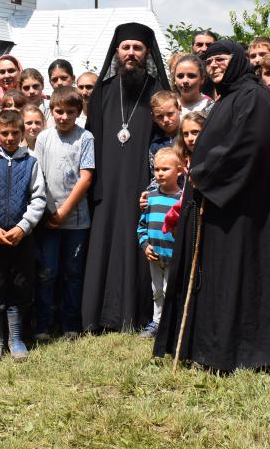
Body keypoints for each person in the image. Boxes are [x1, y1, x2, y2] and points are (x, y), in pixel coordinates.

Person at [153, 40, 270, 372]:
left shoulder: (253, 97)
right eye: (209, 60)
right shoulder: (226, 98)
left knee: (236, 274)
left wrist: (205, 174)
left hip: (241, 206)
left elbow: (246, 145)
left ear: (238, 60)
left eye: (221, 59)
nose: (213, 65)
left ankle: (237, 349)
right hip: (218, 201)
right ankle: (206, 344)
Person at [82, 22, 171, 333]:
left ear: (147, 53)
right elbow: (91, 143)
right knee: (104, 243)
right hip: (106, 186)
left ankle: (138, 314)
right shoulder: (102, 92)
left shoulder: (158, 93)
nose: (131, 53)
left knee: (138, 244)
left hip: (142, 186)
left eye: (137, 48)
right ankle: (100, 315)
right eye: (126, 47)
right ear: (116, 51)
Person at [0, 110, 47, 361]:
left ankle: (15, 339)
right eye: (5, 133)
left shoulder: (31, 162)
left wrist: (23, 227)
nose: (10, 137)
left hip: (21, 239)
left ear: (22, 133)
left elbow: (38, 199)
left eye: (15, 132)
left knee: (20, 287)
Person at [34, 86, 95, 340]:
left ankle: (71, 323)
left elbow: (86, 177)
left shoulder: (85, 138)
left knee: (73, 273)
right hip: (47, 219)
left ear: (78, 112)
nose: (64, 117)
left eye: (70, 112)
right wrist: (49, 213)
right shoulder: (43, 138)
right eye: (59, 111)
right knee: (47, 272)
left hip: (76, 220)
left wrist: (64, 211)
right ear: (51, 111)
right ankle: (43, 324)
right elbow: (37, 176)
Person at [136, 147, 183, 339]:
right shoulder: (151, 197)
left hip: (174, 256)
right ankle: (156, 322)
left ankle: (171, 324)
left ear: (179, 171)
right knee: (156, 290)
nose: (160, 173)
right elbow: (141, 227)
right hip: (154, 256)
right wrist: (145, 246)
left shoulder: (182, 199)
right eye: (156, 169)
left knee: (169, 290)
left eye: (165, 169)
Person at [147, 90, 181, 171]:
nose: (166, 120)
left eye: (170, 114)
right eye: (160, 116)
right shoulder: (155, 145)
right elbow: (154, 174)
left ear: (179, 109)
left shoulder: (189, 137)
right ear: (153, 117)